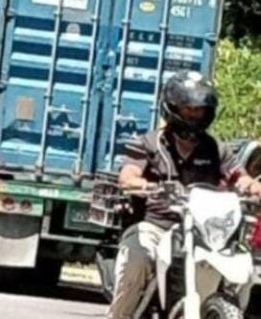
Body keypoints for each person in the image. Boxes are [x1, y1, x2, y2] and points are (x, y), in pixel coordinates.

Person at [108, 70, 261, 318]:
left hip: (207, 232)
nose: (194, 114)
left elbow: (239, 176)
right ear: (172, 108)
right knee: (136, 259)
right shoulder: (148, 144)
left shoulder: (215, 149)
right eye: (188, 108)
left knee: (244, 268)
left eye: (199, 109)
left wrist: (252, 187)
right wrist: (146, 185)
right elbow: (128, 176)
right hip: (157, 227)